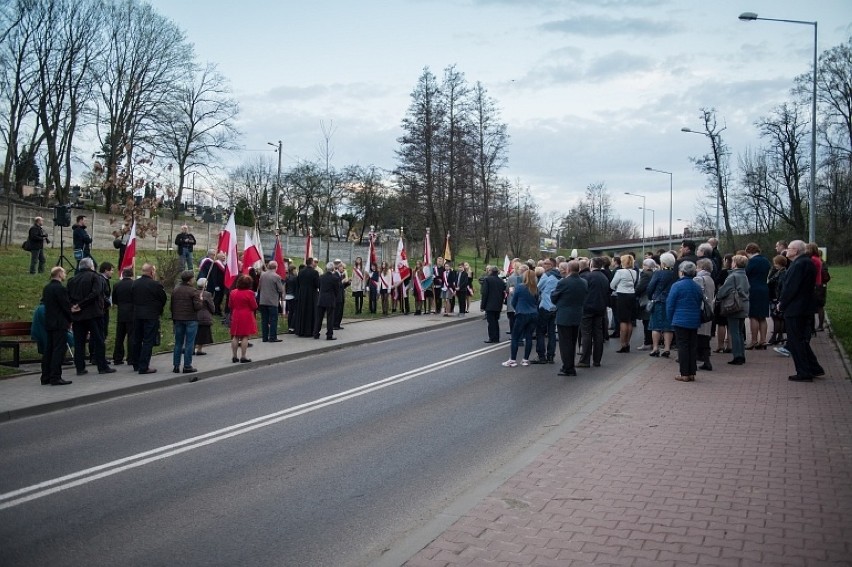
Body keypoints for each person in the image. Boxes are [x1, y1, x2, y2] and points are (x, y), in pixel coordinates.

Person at [778, 240, 824, 382]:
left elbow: (791, 287)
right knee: (801, 340)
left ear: (796, 251)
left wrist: (782, 303)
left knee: (796, 340)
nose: (787, 251)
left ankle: (804, 371)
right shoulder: (806, 262)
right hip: (804, 306)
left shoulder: (798, 265)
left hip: (796, 308)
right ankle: (814, 367)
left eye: (790, 248)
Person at [66, 257, 115, 376]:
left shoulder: (72, 280)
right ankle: (102, 366)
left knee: (79, 342)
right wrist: (82, 304)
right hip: (94, 314)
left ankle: (80, 368)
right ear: (91, 266)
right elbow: (96, 293)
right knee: (99, 340)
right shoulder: (95, 277)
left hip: (78, 316)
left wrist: (75, 306)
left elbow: (67, 296)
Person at [667, 261, 703, 382]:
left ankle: (684, 373)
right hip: (694, 320)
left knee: (682, 346)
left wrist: (670, 318)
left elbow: (670, 304)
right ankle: (692, 372)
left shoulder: (677, 286)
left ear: (682, 272)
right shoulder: (697, 286)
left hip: (680, 319)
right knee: (692, 346)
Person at [551, 260, 588, 376]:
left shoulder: (563, 282)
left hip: (564, 315)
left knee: (565, 343)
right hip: (577, 314)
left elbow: (554, 297)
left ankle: (568, 367)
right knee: (572, 342)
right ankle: (569, 365)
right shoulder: (584, 282)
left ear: (568, 269)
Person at [130, 263, 167, 374]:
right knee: (148, 340)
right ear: (151, 272)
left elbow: (131, 297)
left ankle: (135, 364)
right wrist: (158, 309)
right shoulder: (155, 285)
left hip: (137, 315)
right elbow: (163, 298)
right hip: (151, 316)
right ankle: (144, 366)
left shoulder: (135, 283)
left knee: (136, 339)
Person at [40, 267, 73, 386]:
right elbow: (65, 306)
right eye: (64, 273)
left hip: (49, 323)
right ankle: (55, 376)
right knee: (58, 350)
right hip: (60, 323)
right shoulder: (60, 289)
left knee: (49, 350)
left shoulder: (47, 288)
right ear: (59, 274)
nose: (65, 275)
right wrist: (71, 319)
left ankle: (45, 376)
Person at [716, 254, 750, 365]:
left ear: (735, 263)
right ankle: (741, 354)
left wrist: (718, 297)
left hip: (734, 306)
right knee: (739, 332)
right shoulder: (744, 275)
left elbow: (723, 291)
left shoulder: (732, 276)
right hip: (744, 305)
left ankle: (737, 356)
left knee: (734, 331)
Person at [503, 265, 538, 367]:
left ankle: (513, 360)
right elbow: (537, 301)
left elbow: (514, 301)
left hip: (522, 313)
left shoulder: (520, 287)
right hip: (534, 313)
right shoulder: (535, 288)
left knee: (515, 336)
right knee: (529, 337)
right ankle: (525, 359)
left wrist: (517, 308)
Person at [578, 257, 609, 368]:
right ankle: (597, 360)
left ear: (591, 265)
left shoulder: (588, 277)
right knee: (598, 334)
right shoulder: (604, 277)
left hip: (587, 308)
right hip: (600, 308)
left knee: (586, 334)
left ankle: (585, 360)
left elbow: (583, 291)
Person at [171, 270, 203, 374]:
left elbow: (172, 306)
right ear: (189, 280)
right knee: (189, 343)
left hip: (178, 319)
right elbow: (197, 307)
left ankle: (176, 366)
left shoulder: (175, 290)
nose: (194, 279)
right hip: (191, 319)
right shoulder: (193, 291)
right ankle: (187, 366)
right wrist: (201, 300)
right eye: (193, 278)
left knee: (178, 343)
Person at [647, 252, 677, 358]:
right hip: (672, 302)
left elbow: (650, 287)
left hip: (659, 301)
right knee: (668, 326)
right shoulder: (675, 274)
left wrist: (651, 297)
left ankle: (655, 348)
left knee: (656, 326)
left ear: (663, 263)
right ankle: (667, 348)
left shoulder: (658, 273)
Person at [744, 243, 771, 349]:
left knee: (753, 316)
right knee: (762, 316)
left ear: (748, 251)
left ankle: (754, 340)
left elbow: (746, 273)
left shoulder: (751, 262)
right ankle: (763, 340)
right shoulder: (766, 261)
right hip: (764, 288)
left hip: (753, 289)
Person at [609, 254, 638, 353]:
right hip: (632, 295)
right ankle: (628, 342)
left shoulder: (620, 272)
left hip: (622, 295)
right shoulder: (634, 272)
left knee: (623, 320)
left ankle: (623, 344)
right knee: (629, 320)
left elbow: (612, 284)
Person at [532, 258, 559, 364]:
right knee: (552, 332)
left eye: (545, 263)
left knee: (540, 332)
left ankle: (541, 356)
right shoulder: (560, 276)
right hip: (555, 306)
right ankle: (551, 355)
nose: (543, 265)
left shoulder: (546, 275)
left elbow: (537, 289)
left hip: (545, 306)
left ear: (550, 265)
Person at [694, 258, 716, 371]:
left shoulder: (699, 278)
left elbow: (697, 293)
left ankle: (696, 359)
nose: (696, 269)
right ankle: (706, 360)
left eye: (697, 267)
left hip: (701, 310)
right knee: (705, 336)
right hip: (709, 310)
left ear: (701, 268)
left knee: (697, 335)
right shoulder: (710, 279)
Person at [229, 274, 258, 361]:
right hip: (246, 315)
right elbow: (254, 306)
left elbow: (230, 305)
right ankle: (243, 356)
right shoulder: (250, 293)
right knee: (245, 336)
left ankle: (234, 356)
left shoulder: (233, 292)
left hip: (236, 314)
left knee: (235, 336)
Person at [91, 262, 114, 365]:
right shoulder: (101, 280)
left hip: (100, 309)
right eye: (111, 270)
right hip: (102, 310)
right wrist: (108, 302)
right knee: (100, 333)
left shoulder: (103, 279)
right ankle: (97, 356)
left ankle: (95, 356)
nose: (112, 272)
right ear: (106, 270)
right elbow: (102, 294)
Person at [111, 267, 135, 366]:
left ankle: (117, 357)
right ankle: (131, 358)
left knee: (119, 336)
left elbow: (114, 299)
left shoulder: (117, 285)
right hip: (132, 313)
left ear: (123, 274)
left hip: (121, 312)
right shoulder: (134, 284)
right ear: (131, 275)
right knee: (131, 336)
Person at [258, 260, 285, 342]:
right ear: (276, 267)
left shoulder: (262, 275)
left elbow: (259, 287)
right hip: (272, 301)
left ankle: (264, 337)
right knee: (273, 320)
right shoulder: (276, 276)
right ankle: (272, 337)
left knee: (264, 320)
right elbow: (280, 289)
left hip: (263, 301)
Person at [314, 262, 341, 340]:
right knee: (330, 318)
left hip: (321, 299)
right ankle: (329, 335)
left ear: (326, 269)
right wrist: (334, 296)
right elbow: (337, 290)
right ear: (333, 269)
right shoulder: (335, 278)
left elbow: (319, 286)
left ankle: (316, 333)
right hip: (330, 299)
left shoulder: (321, 277)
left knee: (319, 318)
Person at [480, 265, 506, 343]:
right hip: (498, 304)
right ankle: (497, 337)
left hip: (489, 304)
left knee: (491, 322)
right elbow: (503, 293)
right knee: (496, 321)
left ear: (491, 271)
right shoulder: (501, 281)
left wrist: (482, 306)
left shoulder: (487, 280)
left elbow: (485, 293)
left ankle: (492, 337)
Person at [635, 258, 657, 350]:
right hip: (653, 299)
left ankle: (647, 342)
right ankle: (652, 342)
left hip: (645, 300)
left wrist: (635, 293)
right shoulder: (655, 273)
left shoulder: (645, 274)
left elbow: (640, 287)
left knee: (646, 321)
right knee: (651, 322)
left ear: (646, 266)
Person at [294, 258, 319, 336]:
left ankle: (300, 330)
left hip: (302, 294)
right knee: (310, 312)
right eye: (314, 262)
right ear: (311, 263)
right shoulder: (315, 272)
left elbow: (297, 283)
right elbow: (317, 284)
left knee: (302, 312)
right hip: (311, 294)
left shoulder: (301, 272)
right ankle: (309, 331)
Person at [714, 254, 733, 353]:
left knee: (721, 324)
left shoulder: (723, 272)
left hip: (723, 300)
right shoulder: (737, 272)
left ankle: (720, 345)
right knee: (730, 324)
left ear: (726, 260)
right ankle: (730, 345)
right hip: (734, 301)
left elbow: (716, 282)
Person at [767, 255, 788, 346]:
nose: (774, 265)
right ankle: (779, 336)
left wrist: (779, 299)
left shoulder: (781, 273)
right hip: (778, 297)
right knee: (779, 318)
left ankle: (776, 336)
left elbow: (779, 286)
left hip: (777, 298)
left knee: (777, 318)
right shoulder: (781, 272)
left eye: (776, 263)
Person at [194, 277, 215, 356]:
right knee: (202, 334)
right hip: (204, 316)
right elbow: (211, 306)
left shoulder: (193, 292)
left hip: (194, 316)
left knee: (194, 333)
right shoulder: (207, 294)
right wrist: (213, 311)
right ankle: (199, 349)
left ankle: (192, 349)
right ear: (205, 285)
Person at [334, 260, 350, 328]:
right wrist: (342, 281)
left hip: (341, 295)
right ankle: (335, 324)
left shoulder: (340, 275)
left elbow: (342, 286)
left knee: (340, 311)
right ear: (339, 267)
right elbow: (337, 285)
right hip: (337, 296)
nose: (343, 269)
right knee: (337, 311)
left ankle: (338, 324)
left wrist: (348, 283)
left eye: (344, 268)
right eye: (342, 267)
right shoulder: (335, 274)